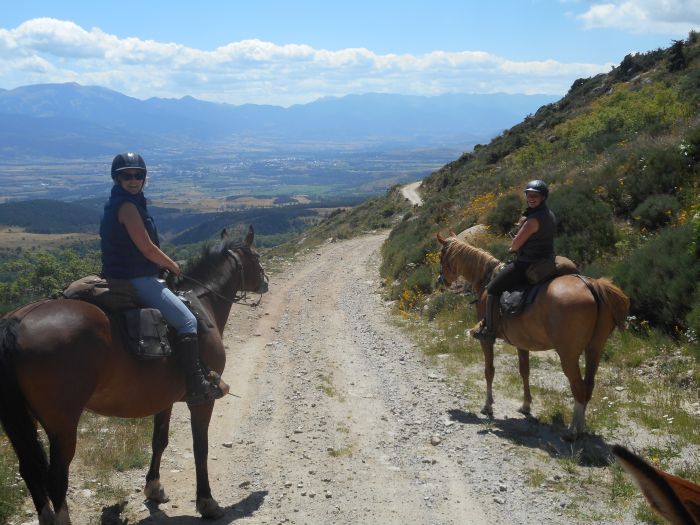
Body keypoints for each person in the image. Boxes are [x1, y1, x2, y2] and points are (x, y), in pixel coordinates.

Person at [100, 152, 223, 405]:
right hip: (138, 279)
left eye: (138, 175)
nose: (133, 180)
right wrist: (173, 266)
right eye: (127, 176)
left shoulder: (119, 203)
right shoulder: (128, 208)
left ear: (144, 178)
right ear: (117, 178)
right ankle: (196, 383)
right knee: (188, 321)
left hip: (119, 274)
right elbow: (147, 249)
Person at [471, 179, 556, 343]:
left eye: (535, 196)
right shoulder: (549, 214)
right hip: (547, 259)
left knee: (493, 288)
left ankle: (489, 329)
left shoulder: (532, 220)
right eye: (529, 195)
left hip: (527, 262)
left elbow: (515, 245)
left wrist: (513, 246)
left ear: (543, 197)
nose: (531, 198)